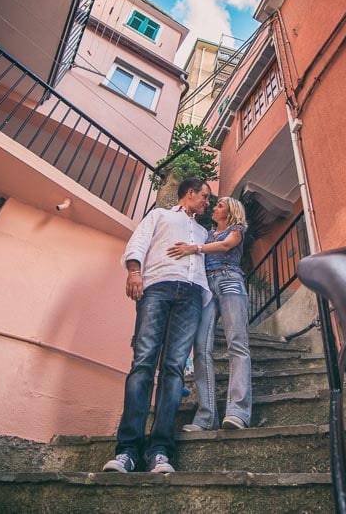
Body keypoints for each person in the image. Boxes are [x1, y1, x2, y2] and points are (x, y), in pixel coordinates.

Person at [102, 177, 212, 474]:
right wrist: (135, 272)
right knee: (143, 363)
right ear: (191, 193)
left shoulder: (203, 232)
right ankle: (127, 451)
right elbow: (138, 242)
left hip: (191, 295)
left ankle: (160, 452)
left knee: (174, 369)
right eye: (205, 196)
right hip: (158, 288)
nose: (207, 202)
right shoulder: (159, 215)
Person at [168, 196, 252, 431]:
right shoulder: (207, 234)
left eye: (220, 205)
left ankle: (238, 412)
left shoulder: (236, 230)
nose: (214, 208)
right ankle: (206, 417)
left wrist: (194, 248)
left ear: (231, 211)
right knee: (201, 348)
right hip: (206, 288)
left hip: (229, 281)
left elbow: (226, 246)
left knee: (237, 344)